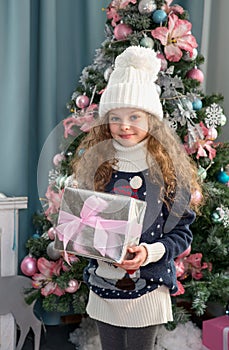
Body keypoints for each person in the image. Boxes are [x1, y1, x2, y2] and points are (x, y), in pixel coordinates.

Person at [71, 46, 202, 350]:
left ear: (151, 120)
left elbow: (182, 233)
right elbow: (84, 220)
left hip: (150, 285)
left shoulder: (167, 168)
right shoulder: (97, 163)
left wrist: (150, 252)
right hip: (104, 285)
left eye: (134, 116)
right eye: (115, 117)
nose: (124, 125)